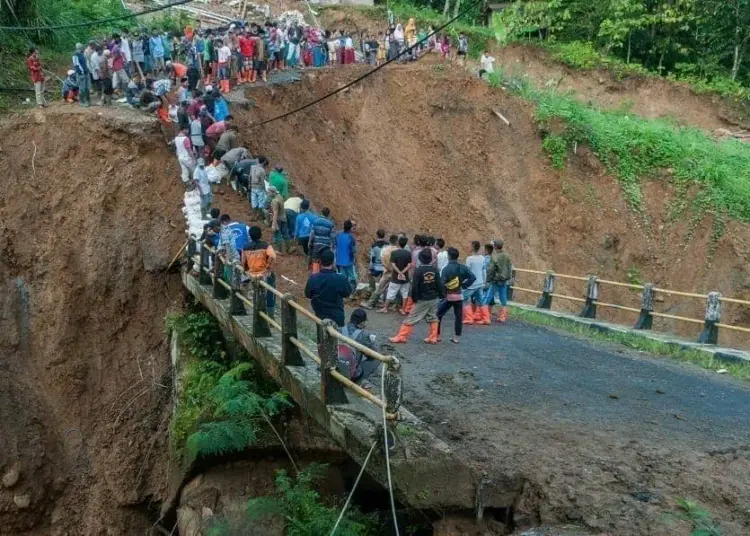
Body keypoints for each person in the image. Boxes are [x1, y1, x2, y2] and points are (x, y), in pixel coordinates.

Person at [389, 248, 445, 344]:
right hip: (434, 298)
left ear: (419, 258)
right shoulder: (435, 270)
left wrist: (414, 298)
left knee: (411, 317)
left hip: (423, 299)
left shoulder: (418, 271)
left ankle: (402, 337)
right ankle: (433, 337)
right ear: (431, 259)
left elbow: (415, 286)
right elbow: (439, 284)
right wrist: (441, 295)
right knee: (433, 317)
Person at [437, 247, 476, 344]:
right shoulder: (463, 267)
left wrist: (443, 294)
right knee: (458, 317)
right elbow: (473, 277)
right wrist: (464, 285)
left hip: (449, 297)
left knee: (438, 315)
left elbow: (442, 284)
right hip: (459, 296)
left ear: (449, 257)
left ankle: (437, 335)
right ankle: (456, 338)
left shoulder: (446, 269)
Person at [305, 249, 352, 327]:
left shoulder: (313, 278)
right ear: (333, 262)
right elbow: (347, 293)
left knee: (321, 337)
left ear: (320, 262)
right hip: (337, 315)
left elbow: (308, 295)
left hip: (320, 315)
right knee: (337, 337)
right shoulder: (340, 278)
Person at [338, 308, 380, 384]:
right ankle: (357, 381)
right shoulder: (364, 335)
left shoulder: (339, 330)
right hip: (352, 375)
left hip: (337, 369)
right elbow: (372, 356)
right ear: (361, 322)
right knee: (377, 358)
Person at [242, 226, 277, 316]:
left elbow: (243, 262)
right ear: (260, 235)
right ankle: (271, 316)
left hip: (252, 275)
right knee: (270, 294)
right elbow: (273, 256)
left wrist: (245, 270)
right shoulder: (265, 245)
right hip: (264, 274)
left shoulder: (245, 247)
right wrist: (268, 266)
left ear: (250, 235)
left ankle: (257, 312)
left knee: (256, 293)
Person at [479, 239, 512, 324]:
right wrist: (508, 277)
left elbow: (491, 270)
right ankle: (502, 317)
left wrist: (488, 280)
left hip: (495, 281)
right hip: (504, 280)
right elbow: (509, 268)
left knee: (487, 299)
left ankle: (485, 318)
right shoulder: (507, 256)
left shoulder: (494, 256)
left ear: (495, 247)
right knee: (503, 299)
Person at [363, 233, 397, 310]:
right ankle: (388, 303)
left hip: (386, 271)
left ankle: (370, 304)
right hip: (395, 272)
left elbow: (375, 259)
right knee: (392, 288)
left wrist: (371, 268)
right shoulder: (397, 250)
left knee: (380, 288)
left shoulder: (384, 250)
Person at [380, 236, 411, 314]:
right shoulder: (408, 253)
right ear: (405, 244)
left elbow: (393, 265)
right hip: (405, 278)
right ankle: (403, 310)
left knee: (390, 293)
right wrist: (403, 272)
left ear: (398, 243)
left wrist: (399, 272)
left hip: (395, 277)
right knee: (405, 294)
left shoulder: (394, 253)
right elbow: (409, 265)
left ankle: (385, 308)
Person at [463, 241, 486, 324]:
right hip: (480, 283)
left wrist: (464, 282)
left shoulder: (469, 259)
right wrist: (484, 281)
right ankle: (486, 318)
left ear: (473, 247)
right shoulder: (482, 258)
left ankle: (469, 318)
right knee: (481, 301)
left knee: (464, 298)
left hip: (472, 284)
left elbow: (466, 272)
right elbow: (484, 271)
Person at [308, 208, 335, 274]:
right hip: (326, 245)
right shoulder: (330, 224)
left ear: (321, 212)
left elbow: (312, 234)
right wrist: (332, 247)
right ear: (328, 215)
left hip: (316, 245)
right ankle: (323, 276)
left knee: (316, 261)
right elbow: (332, 237)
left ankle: (315, 275)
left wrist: (309, 242)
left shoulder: (315, 221)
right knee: (324, 261)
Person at [336, 220, 357, 289]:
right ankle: (352, 292)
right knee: (352, 276)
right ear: (350, 228)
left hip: (339, 259)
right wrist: (354, 258)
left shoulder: (338, 235)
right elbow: (353, 250)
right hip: (348, 260)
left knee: (343, 276)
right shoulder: (351, 237)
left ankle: (344, 290)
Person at [268, 185, 289, 253]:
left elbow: (275, 213)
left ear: (272, 192)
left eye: (269, 192)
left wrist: (274, 224)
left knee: (277, 234)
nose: (268, 193)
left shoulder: (274, 201)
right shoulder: (280, 196)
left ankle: (279, 250)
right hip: (284, 217)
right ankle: (288, 248)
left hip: (278, 219)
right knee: (285, 233)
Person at [249, 156, 269, 221]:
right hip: (259, 187)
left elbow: (250, 176)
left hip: (253, 186)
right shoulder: (262, 170)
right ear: (264, 162)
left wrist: (249, 184)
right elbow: (262, 181)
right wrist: (265, 190)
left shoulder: (252, 167)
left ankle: (253, 216)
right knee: (261, 202)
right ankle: (259, 216)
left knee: (254, 201)